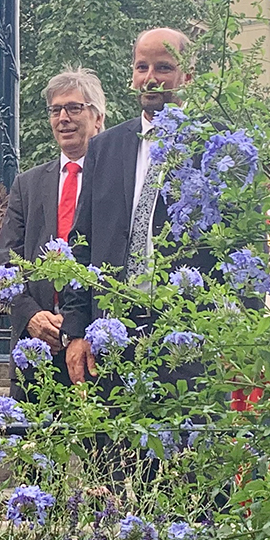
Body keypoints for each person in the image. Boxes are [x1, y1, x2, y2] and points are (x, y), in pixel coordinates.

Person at [60, 28, 207, 386]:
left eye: (164, 68)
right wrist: (76, 331)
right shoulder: (105, 149)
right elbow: (83, 244)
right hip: (111, 339)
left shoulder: (212, 146)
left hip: (190, 341)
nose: (151, 79)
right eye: (142, 67)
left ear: (187, 75)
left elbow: (238, 246)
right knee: (114, 443)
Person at [0, 67, 106, 398]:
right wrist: (31, 315)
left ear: (98, 117)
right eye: (56, 110)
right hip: (36, 348)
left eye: (74, 108)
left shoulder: (116, 180)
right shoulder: (27, 185)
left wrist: (80, 327)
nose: (63, 118)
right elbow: (6, 264)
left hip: (96, 348)